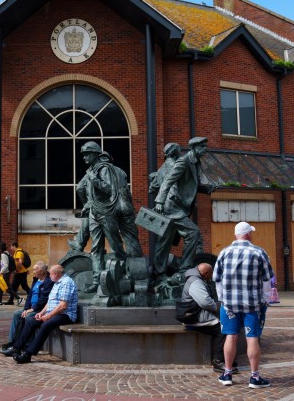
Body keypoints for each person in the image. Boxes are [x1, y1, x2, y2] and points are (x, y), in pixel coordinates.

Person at [213, 221, 273, 389]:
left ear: (236, 234)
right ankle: (254, 377)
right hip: (252, 303)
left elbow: (217, 279)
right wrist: (266, 298)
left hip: (229, 304)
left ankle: (227, 373)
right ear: (248, 234)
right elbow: (267, 279)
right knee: (252, 337)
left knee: (230, 336)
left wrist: (222, 298)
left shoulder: (224, 252)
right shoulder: (258, 252)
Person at [77, 142, 142, 293]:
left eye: (88, 154)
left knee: (115, 244)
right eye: (84, 154)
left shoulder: (104, 169)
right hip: (95, 212)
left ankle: (125, 270)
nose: (85, 157)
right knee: (95, 248)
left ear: (96, 154)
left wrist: (93, 179)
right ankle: (96, 280)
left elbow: (108, 189)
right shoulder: (92, 170)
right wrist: (88, 204)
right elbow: (80, 188)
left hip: (107, 211)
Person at [154, 137, 215, 279]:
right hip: (172, 207)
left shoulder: (195, 163)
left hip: (177, 208)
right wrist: (160, 201)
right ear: (193, 148)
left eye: (205, 146)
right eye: (202, 146)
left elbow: (191, 184)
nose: (205, 149)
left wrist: (206, 189)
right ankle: (184, 269)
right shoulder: (184, 161)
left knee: (164, 242)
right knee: (193, 233)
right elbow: (168, 181)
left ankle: (159, 273)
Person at [10, 264, 79, 364]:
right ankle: (16, 348)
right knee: (31, 320)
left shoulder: (66, 283)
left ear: (55, 274)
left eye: (50, 274)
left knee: (46, 324)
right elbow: (50, 301)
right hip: (55, 313)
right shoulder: (57, 282)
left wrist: (48, 316)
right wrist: (42, 313)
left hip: (66, 315)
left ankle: (28, 354)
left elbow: (63, 306)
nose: (49, 276)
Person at [179, 263, 235, 374]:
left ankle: (226, 358)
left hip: (197, 315)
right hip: (195, 318)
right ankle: (218, 361)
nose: (211, 277)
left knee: (224, 326)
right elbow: (205, 302)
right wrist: (217, 308)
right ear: (205, 273)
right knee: (223, 329)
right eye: (210, 274)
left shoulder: (196, 279)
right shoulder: (195, 282)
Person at [0, 262, 54, 352]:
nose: (33, 272)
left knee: (29, 317)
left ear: (41, 271)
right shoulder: (36, 280)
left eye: (35, 270)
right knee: (17, 314)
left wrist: (32, 309)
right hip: (31, 308)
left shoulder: (49, 282)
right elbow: (29, 296)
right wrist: (26, 309)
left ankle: (28, 344)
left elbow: (44, 299)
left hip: (40, 309)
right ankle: (12, 341)